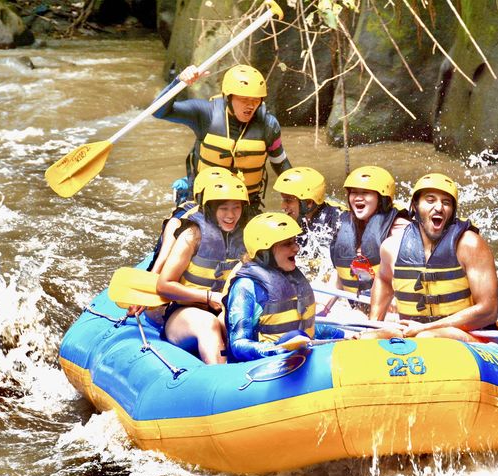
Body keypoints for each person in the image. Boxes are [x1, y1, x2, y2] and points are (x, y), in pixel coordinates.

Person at [368, 173, 498, 342]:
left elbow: (489, 310)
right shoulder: (392, 246)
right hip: (414, 333)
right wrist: (374, 323)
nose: (439, 207)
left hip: (467, 335)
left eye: (446, 202)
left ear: (452, 211)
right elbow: (384, 280)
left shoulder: (469, 244)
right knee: (369, 338)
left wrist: (425, 328)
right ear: (415, 206)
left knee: (426, 337)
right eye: (430, 200)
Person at [153, 63, 292, 212]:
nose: (251, 106)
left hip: (246, 206)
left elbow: (281, 164)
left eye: (255, 100)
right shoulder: (206, 114)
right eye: (244, 99)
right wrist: (179, 81)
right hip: (204, 205)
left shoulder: (269, 126)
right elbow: (158, 111)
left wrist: (296, 198)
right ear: (228, 97)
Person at [223, 212, 358, 362]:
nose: (296, 248)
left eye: (295, 241)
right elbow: (238, 345)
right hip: (260, 369)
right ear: (265, 252)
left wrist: (342, 335)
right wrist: (279, 349)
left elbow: (306, 328)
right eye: (288, 244)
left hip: (296, 360)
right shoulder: (246, 287)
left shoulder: (293, 279)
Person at [156, 170, 249, 364]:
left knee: (239, 323)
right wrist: (208, 297)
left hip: (223, 310)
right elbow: (164, 285)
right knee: (209, 324)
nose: (231, 215)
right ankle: (220, 381)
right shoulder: (192, 235)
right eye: (224, 208)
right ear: (212, 208)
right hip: (183, 314)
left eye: (236, 207)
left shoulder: (247, 237)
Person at [324, 166, 409, 315]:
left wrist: (398, 300)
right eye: (354, 192)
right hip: (360, 312)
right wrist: (324, 309)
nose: (358, 197)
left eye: (365, 193)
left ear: (381, 198)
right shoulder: (345, 226)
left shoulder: (399, 227)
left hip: (393, 314)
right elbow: (341, 274)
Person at [273, 167, 343, 244]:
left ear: (309, 203)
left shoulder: (337, 223)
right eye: (283, 200)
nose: (283, 206)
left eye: (288, 200)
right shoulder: (302, 219)